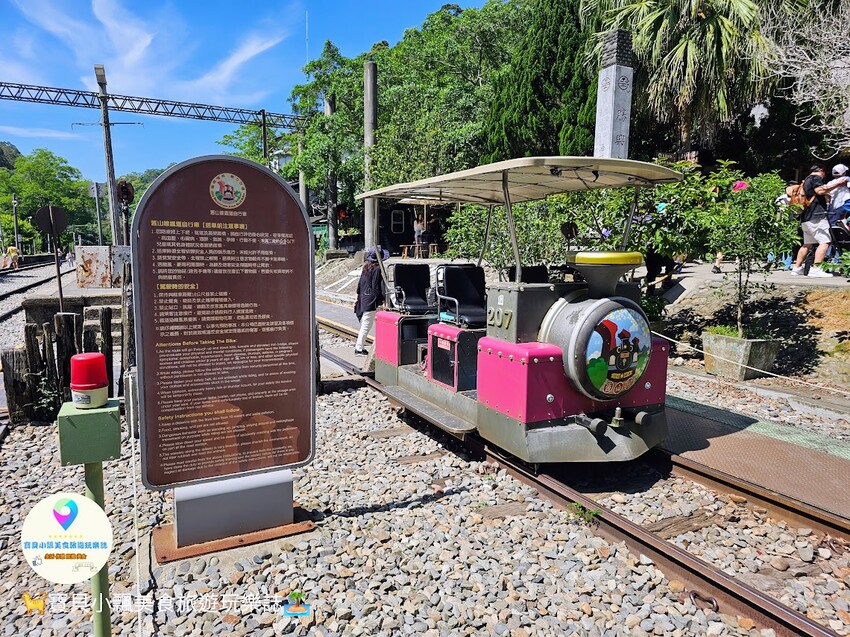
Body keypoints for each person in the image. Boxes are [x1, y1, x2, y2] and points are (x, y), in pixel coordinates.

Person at [791, 165, 834, 278]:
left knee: (807, 244)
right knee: (825, 241)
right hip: (817, 216)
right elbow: (819, 191)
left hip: (806, 217)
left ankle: (797, 268)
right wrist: (837, 184)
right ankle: (816, 269)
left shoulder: (806, 180)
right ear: (821, 171)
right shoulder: (816, 178)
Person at [354, 247, 388, 355]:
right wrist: (384, 299)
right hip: (371, 301)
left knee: (366, 323)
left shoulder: (365, 268)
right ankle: (359, 348)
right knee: (366, 325)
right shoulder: (378, 270)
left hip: (363, 299)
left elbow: (359, 286)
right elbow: (382, 287)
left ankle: (368, 346)